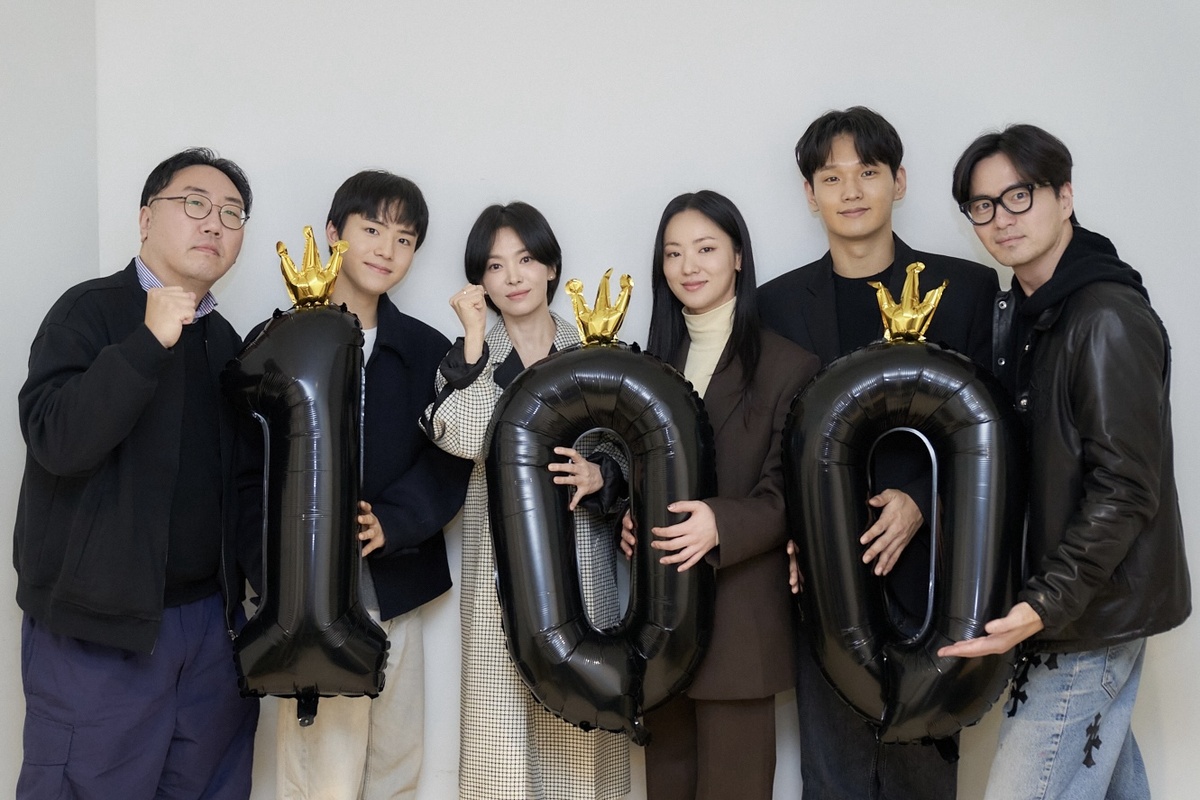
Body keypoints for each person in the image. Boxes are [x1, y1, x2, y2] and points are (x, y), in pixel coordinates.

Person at [940, 123, 1190, 799]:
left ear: (1065, 196)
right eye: (983, 205)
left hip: (1087, 614)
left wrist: (1043, 605)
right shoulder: (1025, 316)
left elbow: (1126, 487)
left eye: (1019, 196)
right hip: (1065, 607)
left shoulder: (1104, 317)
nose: (1002, 218)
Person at [757, 106, 998, 799]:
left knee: (923, 771)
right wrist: (788, 532)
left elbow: (994, 431)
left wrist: (923, 501)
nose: (851, 191)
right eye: (831, 178)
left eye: (867, 172)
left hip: (938, 577)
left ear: (900, 181)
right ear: (810, 195)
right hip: (822, 577)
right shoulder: (776, 305)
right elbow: (773, 438)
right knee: (831, 777)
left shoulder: (966, 289)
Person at [14, 147, 260, 798]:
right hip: (99, 632)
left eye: (231, 213)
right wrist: (148, 343)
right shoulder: (89, 312)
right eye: (195, 203)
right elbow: (57, 440)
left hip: (210, 631)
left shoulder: (227, 343)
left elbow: (242, 486)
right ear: (146, 218)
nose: (213, 222)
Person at [256, 171, 473, 799]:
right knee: (323, 777)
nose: (386, 249)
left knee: (396, 768)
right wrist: (271, 571)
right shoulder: (278, 342)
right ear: (334, 233)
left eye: (404, 239)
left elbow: (450, 458)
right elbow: (247, 465)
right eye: (371, 229)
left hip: (395, 588)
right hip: (308, 600)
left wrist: (395, 520)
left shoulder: (426, 349)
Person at [422, 202, 630, 800]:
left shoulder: (593, 344)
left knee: (582, 737)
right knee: (502, 746)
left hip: (583, 567)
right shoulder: (468, 358)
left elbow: (633, 446)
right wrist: (473, 342)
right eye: (494, 266)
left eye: (526, 259)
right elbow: (463, 438)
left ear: (550, 267)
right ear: (480, 282)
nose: (512, 277)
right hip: (499, 579)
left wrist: (600, 474)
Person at [632, 190, 820, 799]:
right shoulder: (650, 363)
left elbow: (791, 493)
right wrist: (627, 514)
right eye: (673, 253)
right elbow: (642, 473)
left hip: (740, 624)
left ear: (738, 256)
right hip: (659, 624)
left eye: (706, 249)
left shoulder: (789, 366)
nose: (688, 266)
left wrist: (720, 523)